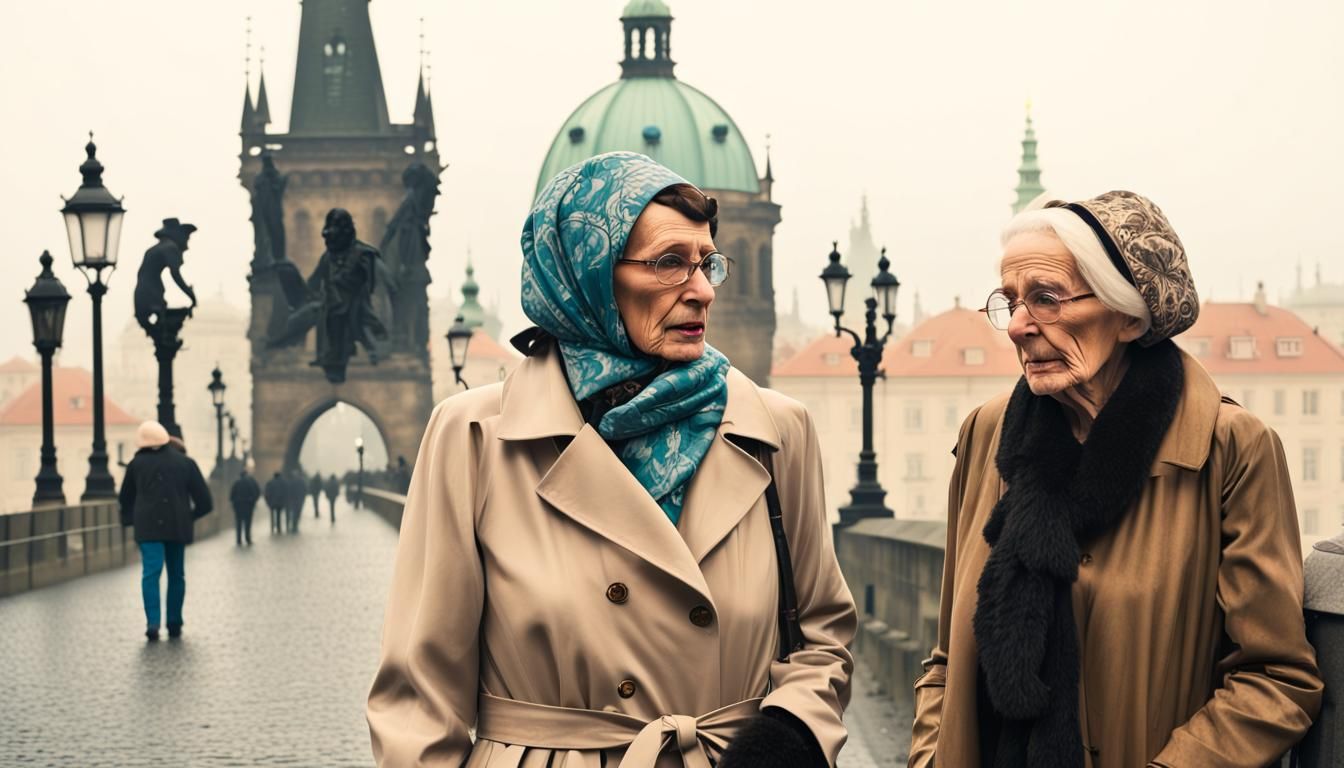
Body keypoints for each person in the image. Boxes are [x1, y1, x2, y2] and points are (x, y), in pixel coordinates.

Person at [368, 152, 856, 767]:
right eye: (670, 263)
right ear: (589, 275)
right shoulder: (476, 437)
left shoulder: (775, 428)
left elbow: (823, 637)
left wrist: (787, 736)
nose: (702, 291)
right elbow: (419, 699)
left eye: (708, 263)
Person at [908, 191, 1322, 766]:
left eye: (1046, 299)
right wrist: (930, 757)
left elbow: (1276, 678)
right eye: (1010, 302)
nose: (1018, 327)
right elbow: (947, 661)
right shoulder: (986, 433)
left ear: (1129, 315)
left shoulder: (1231, 448)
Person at [118, 421, 212, 641]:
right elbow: (205, 502)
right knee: (176, 574)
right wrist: (188, 517)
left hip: (147, 528)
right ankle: (174, 622)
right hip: (177, 526)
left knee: (151, 574)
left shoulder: (136, 465)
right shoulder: (186, 463)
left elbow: (125, 498)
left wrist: (131, 521)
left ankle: (152, 623)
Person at [229, 468, 261, 546]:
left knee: (239, 524)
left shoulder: (236, 483)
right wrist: (253, 502)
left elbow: (231, 496)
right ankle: (247, 539)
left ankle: (238, 540)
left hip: (238, 507)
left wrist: (235, 503)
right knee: (247, 524)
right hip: (248, 506)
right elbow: (256, 493)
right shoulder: (250, 483)